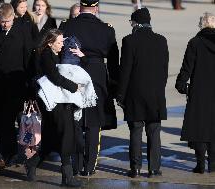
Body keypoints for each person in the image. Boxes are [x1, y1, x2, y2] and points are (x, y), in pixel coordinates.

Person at [59, 0, 120, 176]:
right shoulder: (107, 29)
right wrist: (114, 85)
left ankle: (76, 165)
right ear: (96, 7)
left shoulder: (67, 25)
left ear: (81, 5)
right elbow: (114, 62)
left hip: (72, 74)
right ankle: (90, 166)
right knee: (94, 123)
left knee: (75, 121)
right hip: (97, 75)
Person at [25, 29, 83, 187]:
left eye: (63, 41)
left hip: (60, 101)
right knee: (65, 134)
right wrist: (73, 87)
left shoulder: (56, 53)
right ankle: (67, 177)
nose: (62, 44)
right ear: (50, 43)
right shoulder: (45, 55)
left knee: (52, 138)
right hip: (53, 102)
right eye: (59, 42)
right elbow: (54, 76)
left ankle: (32, 164)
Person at [116, 7, 169, 178]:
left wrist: (120, 94)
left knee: (136, 131)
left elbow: (125, 71)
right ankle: (154, 168)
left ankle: (136, 168)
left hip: (135, 94)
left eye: (131, 21)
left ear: (136, 22)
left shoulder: (129, 41)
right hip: (156, 94)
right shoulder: (161, 40)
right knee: (154, 132)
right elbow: (164, 69)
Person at [0, 3, 33, 168]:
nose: (4, 25)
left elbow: (29, 60)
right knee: (3, 121)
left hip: (16, 84)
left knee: (14, 120)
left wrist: (30, 86)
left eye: (7, 21)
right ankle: (5, 153)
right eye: (2, 21)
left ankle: (13, 153)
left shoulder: (22, 32)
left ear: (13, 18)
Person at [175, 12, 215, 174]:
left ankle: (200, 165)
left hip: (199, 91)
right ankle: (213, 165)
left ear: (201, 25)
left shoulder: (195, 43)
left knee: (200, 128)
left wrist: (181, 84)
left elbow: (187, 67)